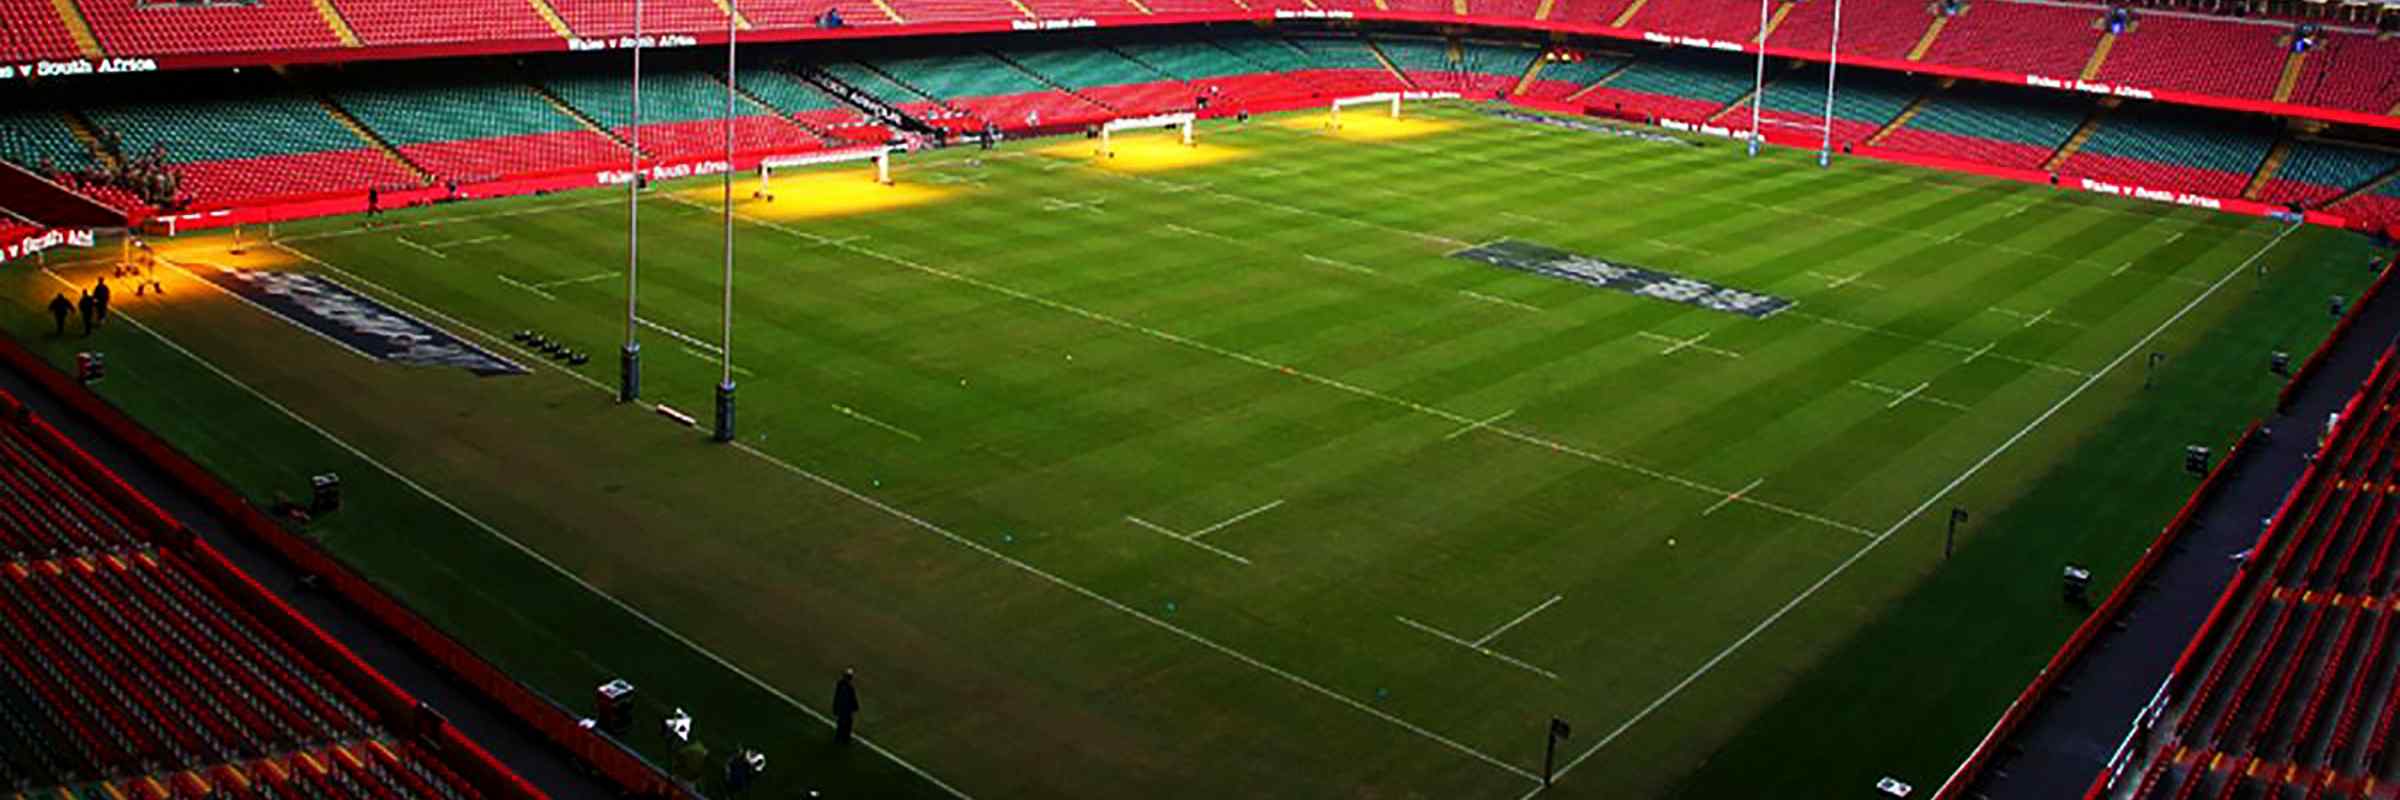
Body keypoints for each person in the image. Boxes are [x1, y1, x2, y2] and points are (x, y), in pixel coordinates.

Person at [831, 668, 860, 745]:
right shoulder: (849, 687)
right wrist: (855, 706)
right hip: (846, 709)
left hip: (841, 708)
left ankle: (838, 739)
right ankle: (845, 740)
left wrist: (835, 707)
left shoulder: (840, 684)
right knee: (847, 725)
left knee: (841, 724)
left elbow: (836, 696)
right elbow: (852, 698)